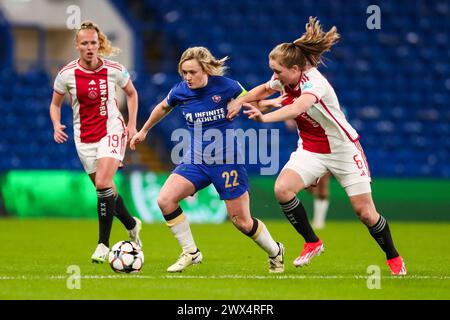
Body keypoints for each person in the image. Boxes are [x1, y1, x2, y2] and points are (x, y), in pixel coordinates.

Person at [228, 17, 406, 275]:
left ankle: (393, 257)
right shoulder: (285, 77)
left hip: (344, 150)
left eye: (278, 71)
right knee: (283, 190)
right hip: (311, 149)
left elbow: (298, 107)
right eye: (273, 70)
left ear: (297, 68)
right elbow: (264, 90)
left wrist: (264, 115)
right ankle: (312, 242)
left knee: (365, 213)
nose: (274, 75)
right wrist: (240, 101)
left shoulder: (315, 83)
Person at [130, 46, 284, 273]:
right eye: (184, 72)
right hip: (196, 161)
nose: (187, 77)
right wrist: (143, 131)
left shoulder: (227, 86)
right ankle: (191, 252)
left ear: (206, 70)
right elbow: (163, 107)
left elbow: (248, 100)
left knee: (242, 222)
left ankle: (275, 251)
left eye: (192, 72)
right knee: (165, 200)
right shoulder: (180, 91)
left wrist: (267, 103)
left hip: (226, 161)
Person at [49, 21, 142, 263]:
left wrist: (131, 125)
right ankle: (132, 225)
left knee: (103, 183)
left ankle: (103, 244)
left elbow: (131, 93)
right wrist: (56, 124)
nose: (90, 47)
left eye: (93, 42)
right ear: (77, 45)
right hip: (84, 137)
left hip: (111, 128)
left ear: (99, 44)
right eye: (85, 43)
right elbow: (55, 103)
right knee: (105, 188)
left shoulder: (114, 69)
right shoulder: (66, 74)